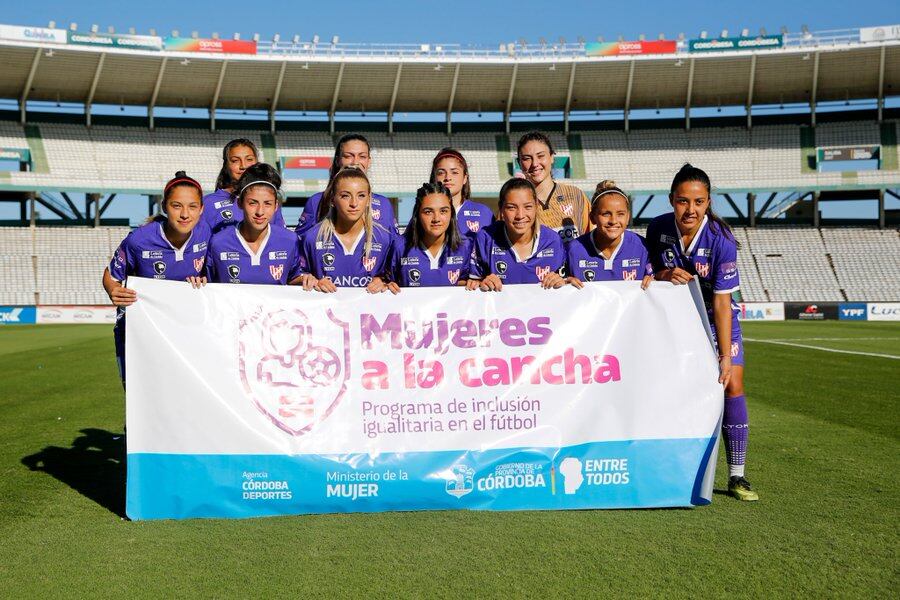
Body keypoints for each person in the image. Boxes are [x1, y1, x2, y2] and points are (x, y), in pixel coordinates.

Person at [646, 163, 758, 502]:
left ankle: (737, 475)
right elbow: (649, 269)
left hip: (714, 319)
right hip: (677, 321)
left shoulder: (722, 240)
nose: (690, 209)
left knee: (732, 384)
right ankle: (669, 467)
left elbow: (724, 305)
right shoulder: (658, 228)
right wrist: (664, 272)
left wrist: (725, 355)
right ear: (671, 200)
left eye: (698, 202)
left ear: (708, 202)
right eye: (682, 201)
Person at [102, 171, 210, 386]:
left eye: (192, 206)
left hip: (183, 328)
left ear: (202, 209)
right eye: (176, 206)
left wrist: (205, 280)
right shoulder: (139, 239)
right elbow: (111, 275)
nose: (185, 214)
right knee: (139, 391)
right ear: (164, 206)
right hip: (138, 328)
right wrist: (113, 290)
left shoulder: (205, 232)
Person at [298, 166, 395, 293]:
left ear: (368, 199)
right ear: (333, 199)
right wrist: (309, 280)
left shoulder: (385, 239)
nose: (354, 203)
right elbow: (293, 277)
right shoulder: (312, 238)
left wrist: (384, 282)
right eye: (345, 196)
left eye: (361, 195)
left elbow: (395, 280)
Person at [205, 163, 302, 285]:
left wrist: (307, 280)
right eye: (252, 203)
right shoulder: (218, 242)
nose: (260, 212)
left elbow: (293, 278)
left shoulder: (289, 240)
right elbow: (207, 285)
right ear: (240, 203)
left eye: (267, 203)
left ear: (276, 206)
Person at [467, 178, 566, 291]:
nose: (520, 215)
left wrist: (562, 281)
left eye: (528, 206)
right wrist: (482, 283)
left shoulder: (552, 241)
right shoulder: (486, 238)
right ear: (501, 208)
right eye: (511, 208)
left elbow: (567, 283)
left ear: (536, 206)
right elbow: (472, 285)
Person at [295, 134, 396, 237]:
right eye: (348, 156)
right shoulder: (316, 201)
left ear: (369, 161)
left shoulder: (384, 204)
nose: (355, 162)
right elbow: (299, 243)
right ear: (338, 160)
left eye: (362, 156)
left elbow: (394, 245)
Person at [566, 180, 653, 289]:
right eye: (606, 214)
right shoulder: (573, 250)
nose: (613, 220)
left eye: (620, 214)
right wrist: (564, 283)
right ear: (592, 217)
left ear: (628, 217)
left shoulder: (642, 247)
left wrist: (655, 282)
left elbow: (657, 282)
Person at [387, 181, 471, 289]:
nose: (436, 219)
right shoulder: (400, 247)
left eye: (443, 211)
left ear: (451, 214)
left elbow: (469, 283)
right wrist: (385, 285)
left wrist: (480, 282)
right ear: (417, 214)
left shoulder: (465, 247)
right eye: (428, 212)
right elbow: (386, 283)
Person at [516, 131, 590, 244]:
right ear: (519, 163)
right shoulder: (514, 204)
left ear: (551, 157)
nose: (535, 163)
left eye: (541, 156)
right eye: (527, 158)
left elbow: (594, 241)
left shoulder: (576, 195)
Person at [201, 138, 285, 231]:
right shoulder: (208, 203)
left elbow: (279, 237)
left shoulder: (268, 199)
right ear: (226, 165)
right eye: (235, 160)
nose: (243, 166)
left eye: (249, 159)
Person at [430, 147, 494, 237]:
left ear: (465, 178)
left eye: (454, 172)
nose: (448, 177)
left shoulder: (484, 213)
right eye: (441, 173)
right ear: (434, 178)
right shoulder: (423, 213)